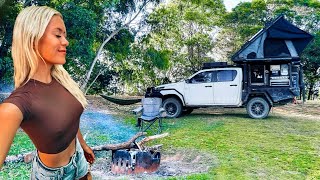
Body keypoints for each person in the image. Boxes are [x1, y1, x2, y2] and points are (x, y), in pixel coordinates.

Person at [0, 6, 95, 179]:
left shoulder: (62, 79)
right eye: (58, 35)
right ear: (32, 38)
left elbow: (69, 117)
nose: (65, 41)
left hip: (78, 159)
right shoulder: (16, 105)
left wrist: (83, 144)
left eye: (64, 36)